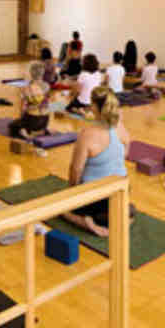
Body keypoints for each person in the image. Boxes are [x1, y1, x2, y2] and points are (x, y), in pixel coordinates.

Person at [62, 86, 131, 237]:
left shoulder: (87, 134)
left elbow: (76, 169)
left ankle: (88, 222)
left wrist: (72, 192)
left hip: (97, 197)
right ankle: (120, 216)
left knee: (62, 208)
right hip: (121, 191)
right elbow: (125, 151)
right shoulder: (120, 126)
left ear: (94, 107)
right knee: (119, 208)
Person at [9, 62, 51, 141]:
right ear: (43, 73)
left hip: (32, 120)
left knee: (13, 126)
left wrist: (21, 119)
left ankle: (26, 132)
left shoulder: (26, 88)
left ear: (31, 73)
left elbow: (22, 108)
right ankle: (40, 131)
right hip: (45, 119)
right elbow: (47, 104)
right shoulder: (47, 86)